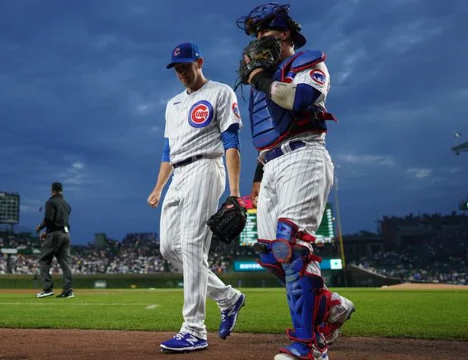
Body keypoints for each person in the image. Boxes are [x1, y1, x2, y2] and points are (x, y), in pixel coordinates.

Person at [235, 3, 355, 359]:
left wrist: (259, 79)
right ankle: (330, 306)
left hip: (304, 156)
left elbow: (302, 100)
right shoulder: (265, 83)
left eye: (265, 34)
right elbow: (269, 136)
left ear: (284, 34)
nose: (258, 43)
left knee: (292, 247)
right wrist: (257, 178)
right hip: (272, 166)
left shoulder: (306, 62)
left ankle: (308, 346)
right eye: (255, 37)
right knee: (273, 256)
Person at [147, 42, 247, 353]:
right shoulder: (173, 104)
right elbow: (167, 151)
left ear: (199, 62)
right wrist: (158, 186)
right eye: (177, 68)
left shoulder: (220, 92)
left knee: (191, 244)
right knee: (169, 247)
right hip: (177, 173)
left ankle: (194, 329)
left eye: (186, 66)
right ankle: (228, 298)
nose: (181, 72)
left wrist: (233, 192)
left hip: (206, 166)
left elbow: (232, 142)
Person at [35, 182, 74, 299]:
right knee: (66, 264)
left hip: (55, 235)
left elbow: (48, 219)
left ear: (52, 190)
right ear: (61, 190)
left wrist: (40, 227)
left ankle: (47, 289)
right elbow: (62, 221)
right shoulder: (67, 204)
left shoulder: (50, 202)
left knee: (43, 260)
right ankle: (68, 291)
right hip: (66, 234)